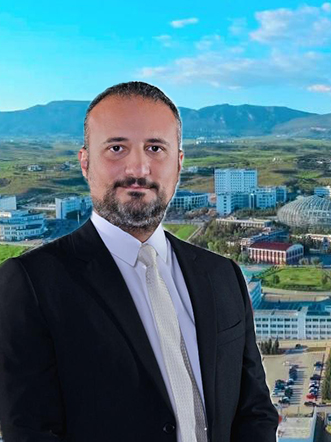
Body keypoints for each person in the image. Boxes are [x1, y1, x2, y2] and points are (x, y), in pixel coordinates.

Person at [0, 82, 279, 442]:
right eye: (116, 148)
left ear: (179, 164)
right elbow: (31, 433)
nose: (138, 168)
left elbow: (254, 411)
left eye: (155, 148)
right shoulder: (32, 284)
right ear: (85, 163)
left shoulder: (223, 275)